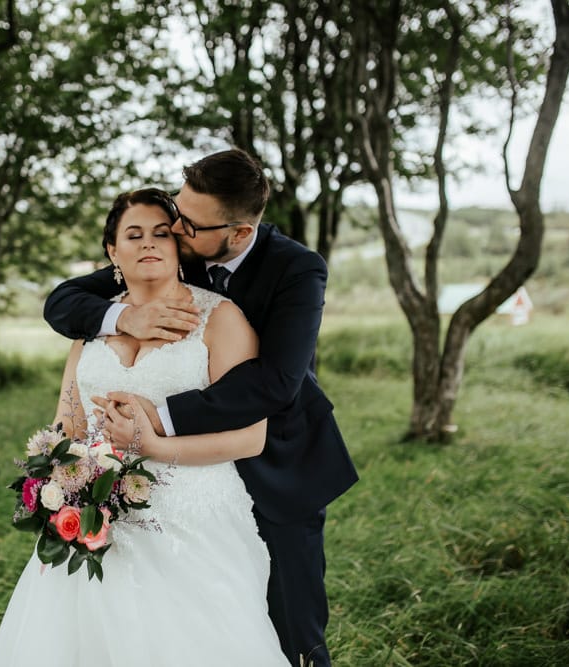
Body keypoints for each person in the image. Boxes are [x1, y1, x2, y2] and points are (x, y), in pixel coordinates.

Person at [43, 149, 359, 666]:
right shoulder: (177, 244)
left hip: (278, 459)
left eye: (187, 223)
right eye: (176, 217)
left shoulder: (296, 269)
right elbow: (63, 302)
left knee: (291, 627)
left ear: (235, 233)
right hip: (156, 487)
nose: (174, 229)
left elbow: (276, 383)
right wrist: (125, 318)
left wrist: (159, 419)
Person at [0, 188, 291, 666]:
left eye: (161, 234)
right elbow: (68, 421)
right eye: (134, 234)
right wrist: (59, 484)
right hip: (97, 520)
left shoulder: (219, 319)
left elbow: (251, 438)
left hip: (192, 521)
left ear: (179, 247)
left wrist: (149, 445)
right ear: (113, 251)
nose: (149, 243)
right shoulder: (92, 322)